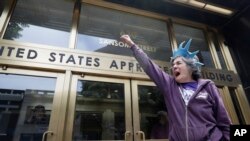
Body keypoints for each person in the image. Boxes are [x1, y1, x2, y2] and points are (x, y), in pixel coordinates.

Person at [120, 35, 231, 141]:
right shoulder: (170, 85)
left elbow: (224, 120)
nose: (174, 66)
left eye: (178, 63)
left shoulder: (208, 86)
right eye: (173, 64)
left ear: (190, 67)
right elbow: (150, 66)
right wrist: (132, 45)